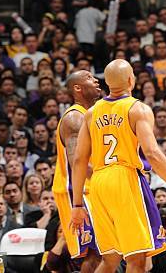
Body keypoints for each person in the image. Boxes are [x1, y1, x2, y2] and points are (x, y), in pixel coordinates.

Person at [70, 59, 166, 273]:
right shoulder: (138, 109)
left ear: (107, 83)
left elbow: (79, 160)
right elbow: (153, 154)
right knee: (137, 259)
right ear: (131, 80)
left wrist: (77, 205)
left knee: (110, 259)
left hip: (99, 182)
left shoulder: (91, 113)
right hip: (125, 179)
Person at [52, 70, 102, 271]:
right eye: (89, 77)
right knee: (94, 253)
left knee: (104, 252)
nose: (96, 80)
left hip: (89, 188)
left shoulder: (89, 115)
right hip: (78, 191)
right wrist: (107, 178)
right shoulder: (74, 118)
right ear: (78, 88)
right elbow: (77, 164)